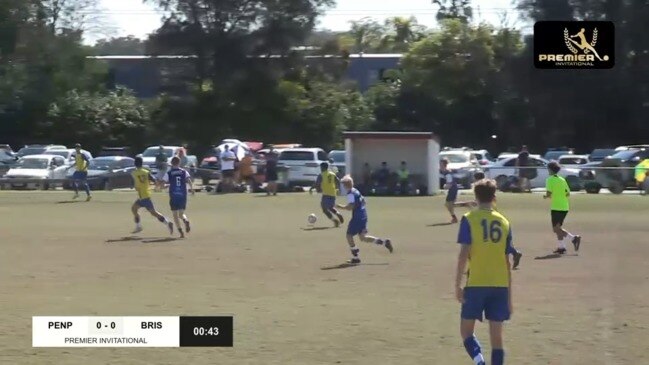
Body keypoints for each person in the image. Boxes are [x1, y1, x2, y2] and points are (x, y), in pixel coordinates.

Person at [455, 179, 513, 365]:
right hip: (500, 284)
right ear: (494, 197)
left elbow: (463, 254)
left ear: (476, 197)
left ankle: (480, 362)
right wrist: (509, 297)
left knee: (466, 332)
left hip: (477, 283)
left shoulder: (469, 219)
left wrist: (457, 285)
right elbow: (507, 262)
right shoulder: (505, 222)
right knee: (497, 339)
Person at [453, 171, 524, 269]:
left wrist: (461, 204)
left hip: (488, 215)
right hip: (491, 215)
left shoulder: (482, 190)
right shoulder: (488, 190)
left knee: (489, 240)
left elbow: (476, 203)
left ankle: (512, 254)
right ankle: (515, 253)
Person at [336, 175, 393, 264]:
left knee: (349, 236)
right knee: (363, 237)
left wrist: (339, 206)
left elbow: (350, 207)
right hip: (363, 215)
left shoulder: (350, 193)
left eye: (343, 184)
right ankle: (384, 242)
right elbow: (364, 201)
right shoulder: (356, 190)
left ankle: (356, 257)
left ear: (345, 185)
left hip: (357, 217)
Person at [544, 161, 581, 254]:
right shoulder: (562, 179)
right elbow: (568, 193)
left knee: (555, 229)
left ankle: (573, 238)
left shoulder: (549, 180)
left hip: (556, 207)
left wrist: (546, 196)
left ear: (550, 170)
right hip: (564, 206)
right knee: (558, 228)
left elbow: (548, 194)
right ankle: (561, 247)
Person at [131, 156, 173, 235]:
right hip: (145, 195)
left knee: (154, 213)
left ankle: (168, 223)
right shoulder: (146, 172)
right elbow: (154, 180)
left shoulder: (134, 173)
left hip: (143, 196)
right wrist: (160, 185)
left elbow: (135, 184)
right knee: (134, 209)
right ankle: (138, 226)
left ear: (135, 164)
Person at [164, 156, 193, 238]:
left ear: (172, 163)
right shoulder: (184, 171)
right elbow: (189, 180)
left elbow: (163, 183)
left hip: (174, 195)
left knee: (175, 215)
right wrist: (192, 189)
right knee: (181, 213)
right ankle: (185, 220)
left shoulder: (169, 173)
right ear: (179, 163)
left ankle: (181, 232)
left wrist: (164, 185)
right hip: (183, 194)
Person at [315, 162, 344, 227]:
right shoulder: (332, 174)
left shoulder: (321, 175)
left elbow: (317, 184)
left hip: (326, 194)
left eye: (321, 167)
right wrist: (338, 189)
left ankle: (334, 220)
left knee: (324, 209)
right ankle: (338, 214)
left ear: (322, 167)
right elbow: (338, 181)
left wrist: (317, 189)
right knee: (330, 207)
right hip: (333, 193)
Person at [441, 158, 459, 224]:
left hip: (453, 189)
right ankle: (454, 218)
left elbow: (450, 182)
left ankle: (454, 218)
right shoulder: (446, 171)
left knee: (448, 204)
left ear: (444, 164)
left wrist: (446, 187)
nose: (440, 165)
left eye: (441, 164)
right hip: (453, 189)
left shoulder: (447, 172)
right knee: (449, 204)